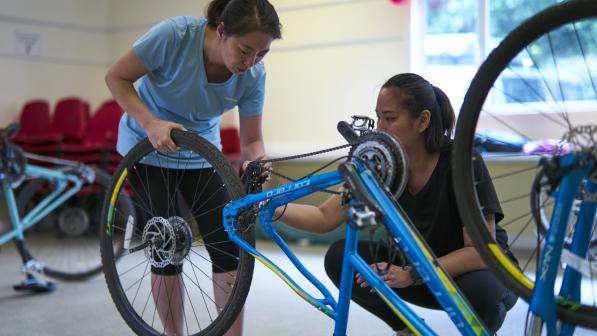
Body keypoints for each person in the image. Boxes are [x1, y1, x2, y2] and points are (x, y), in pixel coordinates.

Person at [273, 73, 518, 335]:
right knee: (340, 257)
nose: (379, 127)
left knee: (482, 293)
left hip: (470, 274)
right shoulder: (380, 164)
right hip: (416, 271)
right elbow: (323, 218)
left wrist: (412, 273)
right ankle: (406, 329)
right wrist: (270, 207)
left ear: (422, 120)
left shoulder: (463, 161)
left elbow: (480, 252)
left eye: (389, 118)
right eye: (378, 117)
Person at [105, 1, 281, 335]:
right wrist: (151, 123)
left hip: (200, 151)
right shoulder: (174, 36)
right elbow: (116, 77)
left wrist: (260, 159)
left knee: (231, 243)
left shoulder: (253, 74)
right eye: (245, 51)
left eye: (262, 54)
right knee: (167, 244)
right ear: (222, 31)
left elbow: (253, 141)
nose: (251, 62)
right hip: (147, 147)